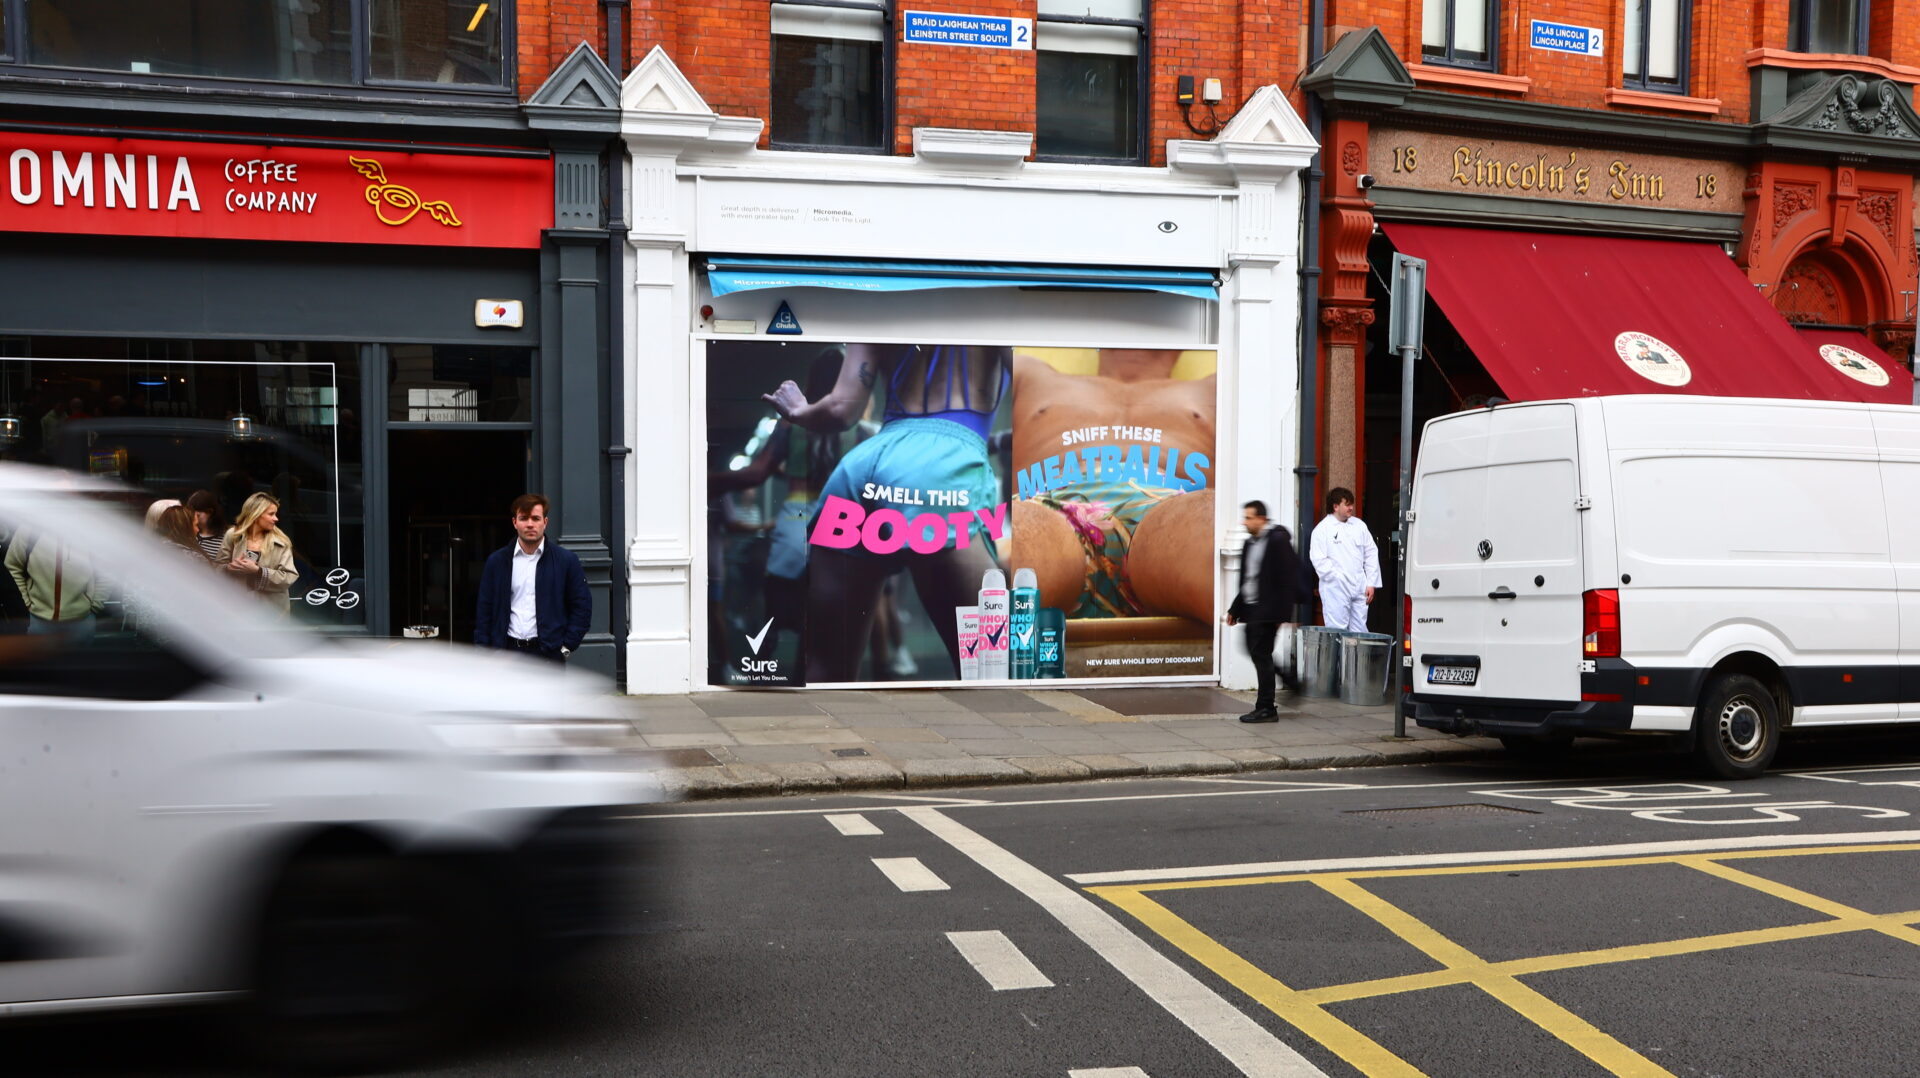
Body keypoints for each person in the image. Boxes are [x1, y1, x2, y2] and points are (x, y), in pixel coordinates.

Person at [761, 344, 1008, 682]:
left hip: (857, 473)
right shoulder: (994, 307)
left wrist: (799, 411)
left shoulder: (884, 300)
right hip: (941, 476)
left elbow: (840, 412)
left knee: (826, 672)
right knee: (990, 668)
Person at [474, 493, 591, 664]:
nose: (530, 524)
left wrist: (566, 646)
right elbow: (485, 608)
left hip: (548, 654)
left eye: (535, 518)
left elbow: (582, 605)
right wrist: (484, 650)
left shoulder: (566, 561)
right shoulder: (497, 562)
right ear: (515, 522)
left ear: (545, 522)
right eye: (524, 518)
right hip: (506, 652)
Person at [1226, 500, 1303, 723]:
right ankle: (1288, 680)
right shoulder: (1250, 544)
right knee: (1256, 651)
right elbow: (1248, 580)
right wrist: (1235, 608)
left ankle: (1266, 707)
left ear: (1261, 519)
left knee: (1260, 654)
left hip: (1268, 610)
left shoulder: (1278, 542)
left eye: (1249, 517)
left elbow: (1288, 580)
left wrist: (1283, 615)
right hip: (1252, 608)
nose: (1244, 521)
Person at [3, 525, 105, 640]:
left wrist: (95, 605)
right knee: (38, 658)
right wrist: (26, 602)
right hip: (38, 620)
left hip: (81, 621)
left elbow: (106, 571)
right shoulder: (29, 529)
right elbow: (12, 565)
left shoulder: (90, 532)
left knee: (80, 658)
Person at [1310, 487, 1381, 633]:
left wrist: (1371, 583)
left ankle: (1357, 657)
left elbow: (1371, 552)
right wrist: (1338, 578)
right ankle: (1339, 657)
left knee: (1359, 630)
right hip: (1336, 589)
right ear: (1335, 506)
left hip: (1359, 586)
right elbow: (1319, 560)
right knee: (1337, 631)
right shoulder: (1322, 530)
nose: (1351, 508)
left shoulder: (1359, 525)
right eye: (1347, 504)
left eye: (1351, 504)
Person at [219, 492, 299, 614]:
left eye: (275, 514)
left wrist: (259, 572)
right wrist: (229, 568)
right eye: (271, 514)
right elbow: (216, 567)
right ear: (256, 515)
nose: (276, 518)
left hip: (271, 613)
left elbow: (289, 577)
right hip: (237, 609)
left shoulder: (281, 542)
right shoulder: (233, 535)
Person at [185, 489, 227, 562]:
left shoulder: (225, 537)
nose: (194, 518)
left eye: (198, 515)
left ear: (210, 512)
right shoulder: (188, 532)